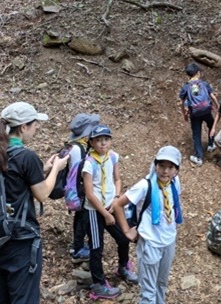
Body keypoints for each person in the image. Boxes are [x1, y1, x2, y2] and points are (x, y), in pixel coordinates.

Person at [0, 102, 70, 304]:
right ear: (23, 127)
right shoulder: (26, 156)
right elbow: (42, 194)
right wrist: (56, 167)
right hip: (20, 240)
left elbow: (17, 183)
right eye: (34, 124)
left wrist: (43, 168)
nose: (36, 128)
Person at [113, 145, 183, 304]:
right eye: (162, 165)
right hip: (150, 242)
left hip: (168, 240)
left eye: (170, 167)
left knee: (161, 284)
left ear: (176, 169)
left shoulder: (174, 183)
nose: (165, 171)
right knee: (148, 291)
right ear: (155, 165)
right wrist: (126, 230)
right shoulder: (146, 185)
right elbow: (118, 204)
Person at [82, 124, 138, 300]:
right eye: (98, 141)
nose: (102, 144)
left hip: (111, 205)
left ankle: (123, 267)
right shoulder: (89, 163)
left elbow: (118, 179)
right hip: (93, 210)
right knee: (97, 247)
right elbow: (89, 194)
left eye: (106, 140)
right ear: (91, 142)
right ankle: (98, 284)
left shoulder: (112, 157)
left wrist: (116, 198)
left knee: (123, 237)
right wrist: (105, 214)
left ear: (111, 141)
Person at [66, 113, 100, 263]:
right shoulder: (77, 149)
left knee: (80, 217)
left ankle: (78, 244)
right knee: (82, 218)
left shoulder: (74, 146)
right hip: (79, 190)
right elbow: (78, 172)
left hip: (76, 190)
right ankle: (77, 248)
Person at [178, 63, 219, 166]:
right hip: (206, 111)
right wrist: (218, 106)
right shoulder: (204, 84)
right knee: (211, 125)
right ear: (198, 73)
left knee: (196, 134)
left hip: (194, 114)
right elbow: (213, 97)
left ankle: (199, 157)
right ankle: (211, 144)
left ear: (188, 75)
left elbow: (182, 102)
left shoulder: (186, 87)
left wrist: (184, 114)